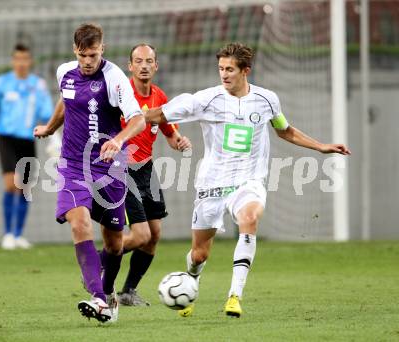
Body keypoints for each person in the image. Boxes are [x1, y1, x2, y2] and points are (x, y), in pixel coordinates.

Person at [145, 43, 351, 318]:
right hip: (212, 185)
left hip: (249, 181)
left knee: (250, 217)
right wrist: (123, 118)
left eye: (230, 69)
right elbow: (158, 115)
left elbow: (285, 131)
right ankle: (191, 280)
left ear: (245, 71)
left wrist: (321, 146)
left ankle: (234, 296)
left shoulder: (267, 100)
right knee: (199, 255)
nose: (224, 74)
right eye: (221, 69)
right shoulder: (207, 99)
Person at [34, 23, 145, 323]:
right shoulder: (65, 72)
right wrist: (50, 127)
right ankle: (97, 298)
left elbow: (138, 120)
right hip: (72, 164)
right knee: (79, 223)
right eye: (83, 55)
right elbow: (65, 101)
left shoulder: (114, 78)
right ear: (75, 50)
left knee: (114, 244)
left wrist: (118, 140)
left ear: (102, 50)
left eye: (93, 55)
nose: (87, 61)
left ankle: (105, 293)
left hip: (109, 169)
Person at [116, 44, 191, 306]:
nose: (144, 65)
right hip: (122, 170)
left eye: (149, 61)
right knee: (140, 236)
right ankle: (97, 262)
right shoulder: (122, 95)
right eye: (139, 61)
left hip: (147, 170)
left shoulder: (160, 97)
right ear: (130, 66)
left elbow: (170, 134)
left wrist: (179, 141)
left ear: (156, 66)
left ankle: (127, 292)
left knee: (154, 234)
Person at [0, 43, 56, 250]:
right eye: (18, 58)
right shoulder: (1, 83)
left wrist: (54, 139)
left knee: (25, 188)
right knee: (11, 184)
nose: (21, 63)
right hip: (6, 139)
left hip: (28, 140)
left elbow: (48, 114)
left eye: (25, 59)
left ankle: (19, 234)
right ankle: (7, 234)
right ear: (13, 61)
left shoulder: (37, 85)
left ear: (30, 61)